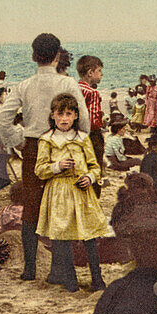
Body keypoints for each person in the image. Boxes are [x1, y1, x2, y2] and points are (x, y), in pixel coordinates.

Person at [0, 33, 90, 283]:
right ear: (58, 55)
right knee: (60, 207)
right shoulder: (68, 84)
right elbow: (85, 122)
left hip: (34, 147)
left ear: (34, 56)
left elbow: (1, 119)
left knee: (32, 207)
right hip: (60, 146)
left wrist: (19, 140)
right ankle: (58, 269)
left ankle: (30, 268)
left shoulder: (24, 85)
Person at [35, 93, 109, 292]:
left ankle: (97, 278)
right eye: (60, 115)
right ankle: (70, 280)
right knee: (62, 238)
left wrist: (90, 178)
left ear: (76, 116)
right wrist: (57, 166)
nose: (64, 119)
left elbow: (95, 166)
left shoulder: (82, 138)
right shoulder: (47, 140)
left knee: (89, 238)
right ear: (53, 116)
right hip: (59, 192)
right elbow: (39, 170)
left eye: (69, 114)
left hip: (81, 192)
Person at [76, 55, 106, 182]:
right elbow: (93, 121)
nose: (101, 74)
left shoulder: (75, 88)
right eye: (99, 71)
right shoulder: (92, 92)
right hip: (91, 135)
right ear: (90, 73)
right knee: (94, 166)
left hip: (76, 133)